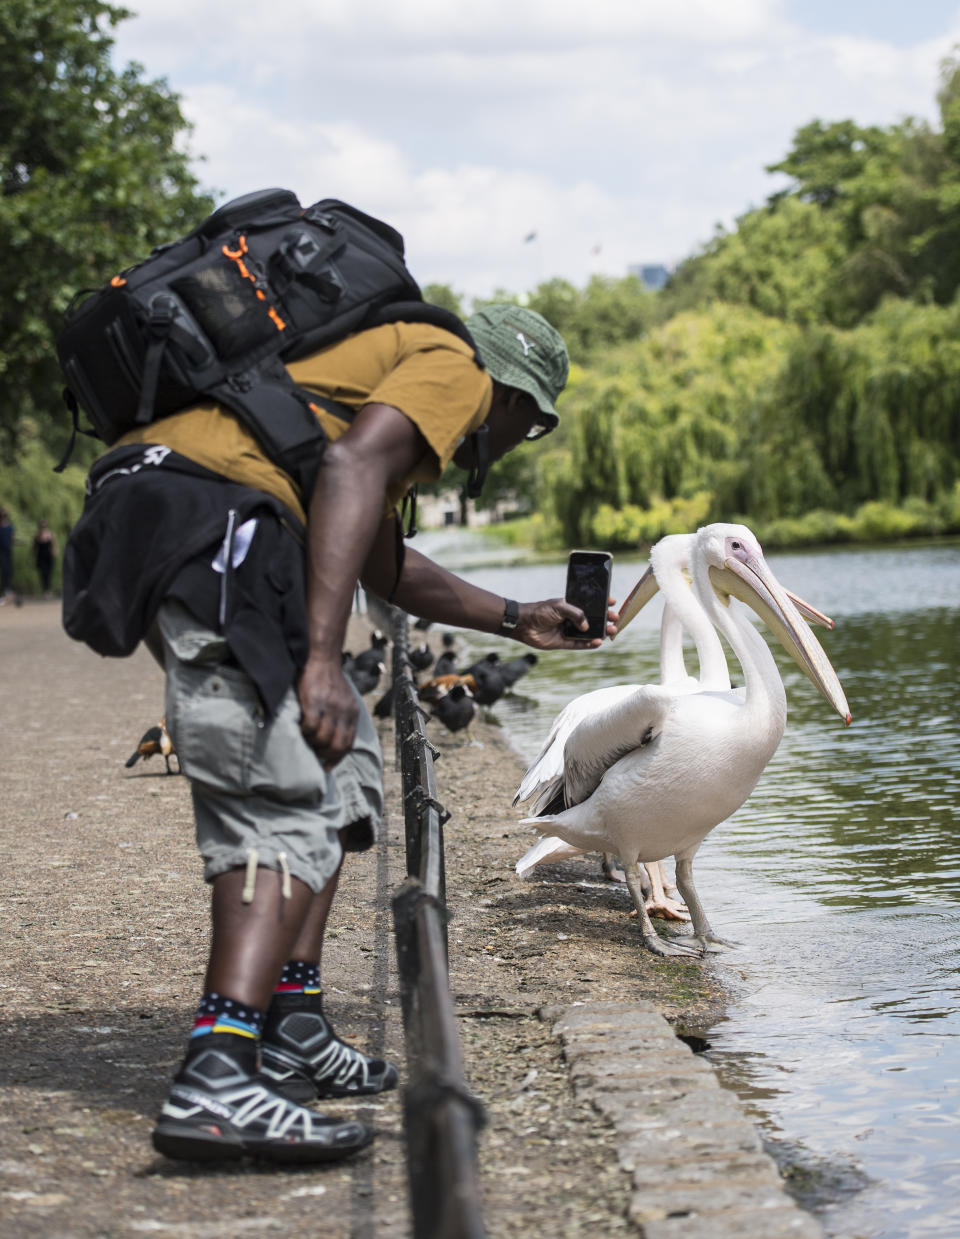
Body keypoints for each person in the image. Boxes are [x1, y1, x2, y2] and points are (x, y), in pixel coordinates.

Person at [62, 299, 616, 1165]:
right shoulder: (454, 368)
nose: (514, 441)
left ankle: (294, 1024)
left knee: (340, 752)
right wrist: (322, 655)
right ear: (512, 394)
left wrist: (519, 618)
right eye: (532, 423)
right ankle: (216, 1074)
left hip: (221, 524)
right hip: (211, 528)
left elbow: (377, 557)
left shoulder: (382, 376)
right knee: (275, 792)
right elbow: (354, 470)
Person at [33, 519, 58, 596]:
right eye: (41, 525)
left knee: (49, 573)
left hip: (48, 557)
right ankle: (44, 590)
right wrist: (31, 557)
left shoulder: (51, 534)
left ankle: (49, 589)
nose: (43, 527)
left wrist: (55, 551)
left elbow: (54, 544)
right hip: (40, 557)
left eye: (44, 525)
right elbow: (34, 548)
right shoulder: (37, 536)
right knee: (42, 573)